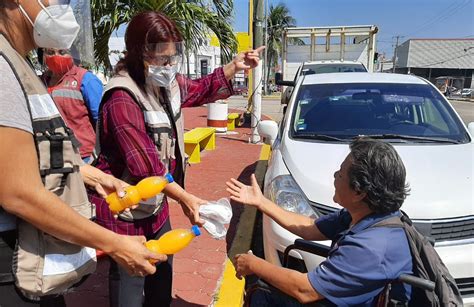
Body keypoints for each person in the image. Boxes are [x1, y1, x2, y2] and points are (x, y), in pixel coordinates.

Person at [89, 10, 265, 307]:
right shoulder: (122, 98)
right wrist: (187, 199)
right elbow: (147, 169)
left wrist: (235, 67)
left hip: (156, 208)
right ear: (137, 54)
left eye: (173, 57)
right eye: (161, 58)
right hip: (127, 213)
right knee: (130, 285)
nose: (169, 65)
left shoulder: (164, 83)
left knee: (161, 281)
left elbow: (201, 89)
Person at [0, 1, 166, 306]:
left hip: (31, 251)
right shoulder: (3, 69)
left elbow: (36, 152)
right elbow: (18, 192)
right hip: (12, 261)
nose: (58, 6)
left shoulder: (18, 65)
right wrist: (114, 243)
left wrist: (92, 175)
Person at [226, 138, 413, 306]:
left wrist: (253, 264)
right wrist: (261, 202)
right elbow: (310, 228)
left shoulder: (371, 248)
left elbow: (304, 290)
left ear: (359, 192)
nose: (334, 177)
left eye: (339, 174)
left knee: (262, 291)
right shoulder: (366, 215)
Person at [40, 47, 103, 162]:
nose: (56, 56)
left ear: (72, 54)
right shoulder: (40, 81)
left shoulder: (86, 79)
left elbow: (102, 121)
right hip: (51, 156)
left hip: (82, 157)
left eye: (62, 52)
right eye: (50, 52)